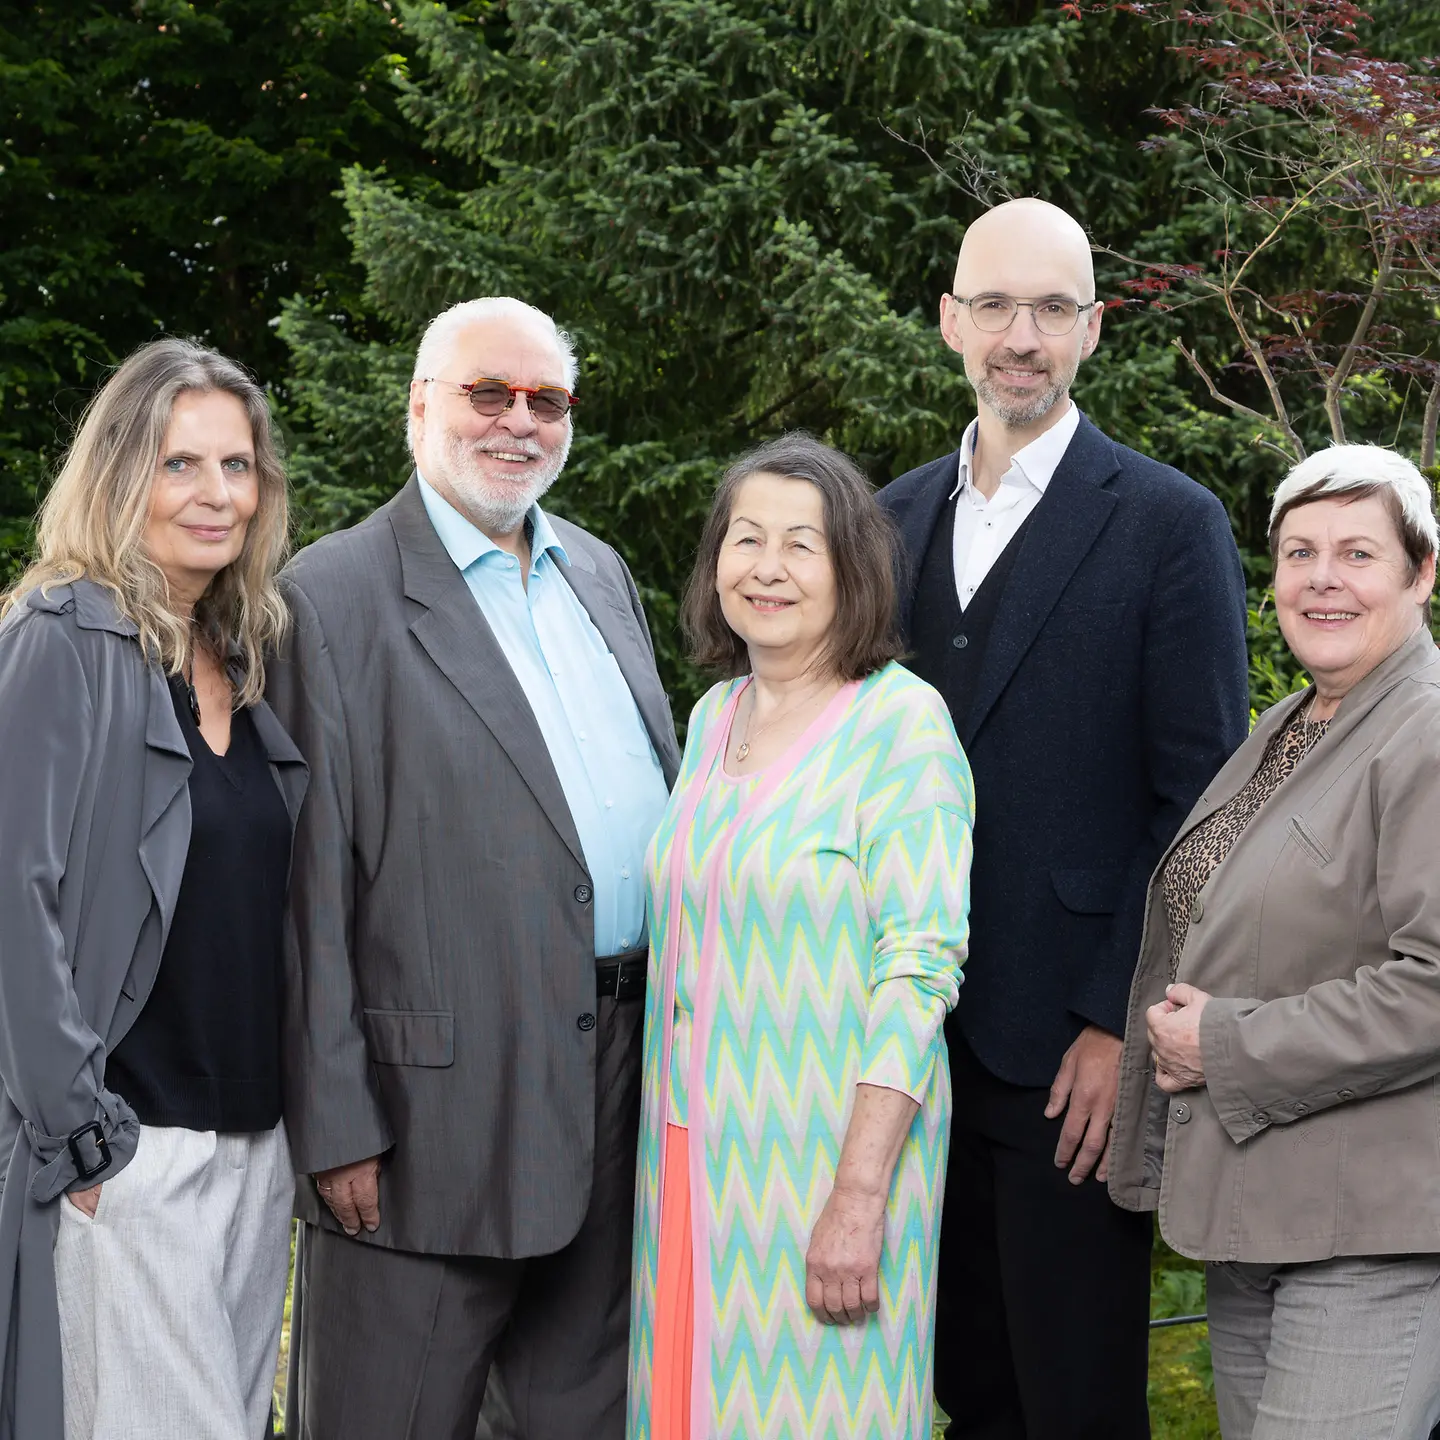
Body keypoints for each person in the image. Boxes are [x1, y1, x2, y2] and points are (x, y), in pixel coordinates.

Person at [269, 296, 680, 1440]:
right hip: (424, 1125)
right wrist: (335, 1119)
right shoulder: (329, 596)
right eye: (487, 394)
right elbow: (306, 889)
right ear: (419, 405)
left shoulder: (600, 573)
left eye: (546, 400)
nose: (519, 422)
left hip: (621, 1088)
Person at [876, 196, 1251, 1439]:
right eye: (993, 306)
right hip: (900, 1050)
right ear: (949, 323)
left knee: (1075, 1401)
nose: (1019, 335)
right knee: (956, 1389)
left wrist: (1115, 1021)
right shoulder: (884, 523)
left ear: (1093, 328)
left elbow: (1199, 807)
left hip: (1067, 1065)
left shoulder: (1167, 523)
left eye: (1049, 308)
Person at [629, 433, 974, 1440]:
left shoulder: (901, 728)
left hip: (825, 1164)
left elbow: (918, 971)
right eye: (746, 540)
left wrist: (858, 1194)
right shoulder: (712, 716)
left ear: (851, 570)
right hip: (687, 1158)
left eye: (800, 545)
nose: (766, 568)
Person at [0, 337, 307, 1440]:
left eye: (237, 466)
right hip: (129, 1147)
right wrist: (80, 1132)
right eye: (180, 464)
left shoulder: (241, 651)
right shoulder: (60, 635)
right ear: (122, 472)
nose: (215, 495)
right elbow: (11, 900)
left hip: (254, 1149)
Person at [1108, 444, 1440, 1439]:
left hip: (1373, 1235)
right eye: (1299, 554)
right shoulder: (1294, 725)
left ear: (1423, 572)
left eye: (1356, 553)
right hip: (1266, 1221)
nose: (1322, 579)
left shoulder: (1424, 732)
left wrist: (1227, 1044)